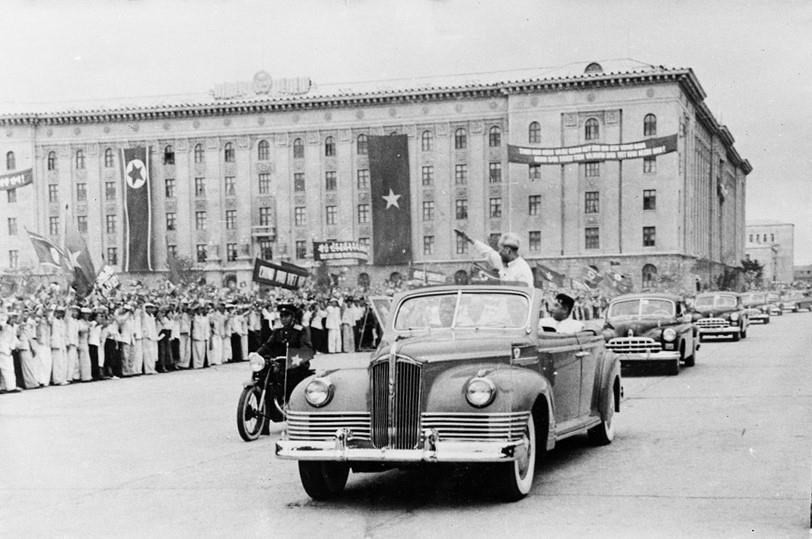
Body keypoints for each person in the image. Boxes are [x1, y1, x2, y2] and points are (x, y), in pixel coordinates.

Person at [454, 229, 534, 288]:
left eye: (500, 250)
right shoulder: (503, 261)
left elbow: (524, 296)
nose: (499, 253)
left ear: (507, 250)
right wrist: (470, 240)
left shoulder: (523, 270)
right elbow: (488, 252)